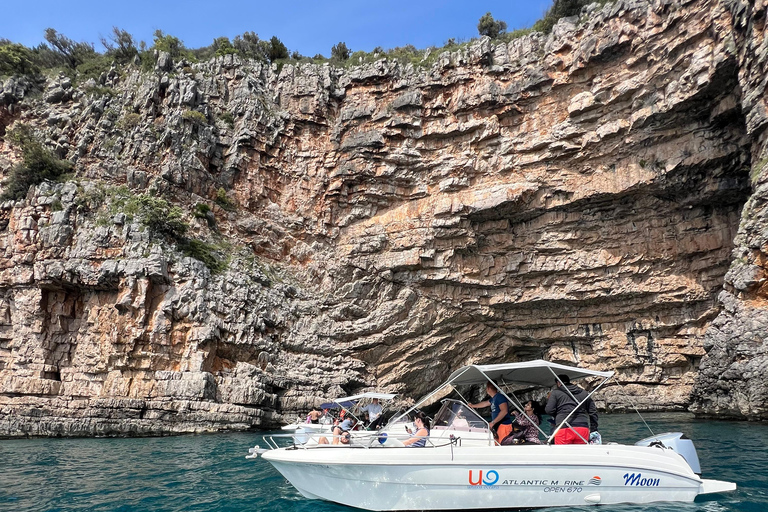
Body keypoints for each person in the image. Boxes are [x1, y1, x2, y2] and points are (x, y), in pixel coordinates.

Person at [545, 374, 598, 445]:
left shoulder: (556, 392)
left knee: (562, 454)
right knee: (580, 453)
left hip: (564, 428)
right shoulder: (584, 393)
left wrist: (558, 416)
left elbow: (549, 410)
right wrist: (593, 429)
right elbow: (593, 412)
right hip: (582, 428)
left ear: (558, 383)